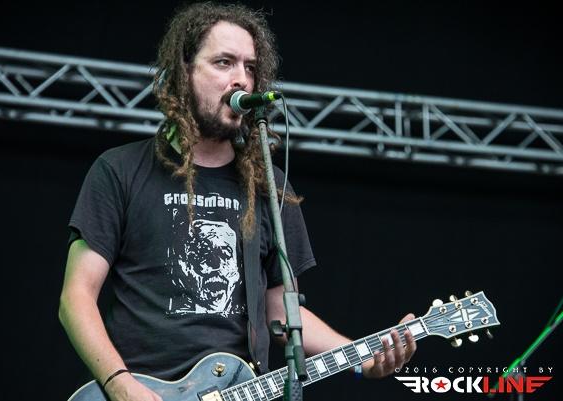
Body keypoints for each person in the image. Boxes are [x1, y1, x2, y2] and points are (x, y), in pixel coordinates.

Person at [58, 2, 417, 401]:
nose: (241, 79)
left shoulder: (268, 187)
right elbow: (76, 297)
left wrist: (362, 357)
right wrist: (121, 385)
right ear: (183, 72)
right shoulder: (119, 171)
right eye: (224, 62)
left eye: (250, 67)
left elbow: (283, 315)